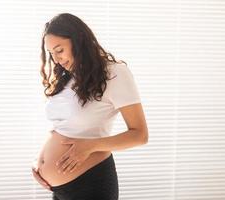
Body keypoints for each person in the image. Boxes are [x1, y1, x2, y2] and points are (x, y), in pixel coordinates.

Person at [31, 13, 148, 200]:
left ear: (78, 42)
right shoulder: (66, 77)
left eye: (60, 50)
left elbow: (140, 135)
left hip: (90, 184)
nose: (57, 59)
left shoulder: (114, 73)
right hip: (60, 189)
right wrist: (41, 164)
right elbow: (62, 127)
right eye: (51, 54)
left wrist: (89, 146)